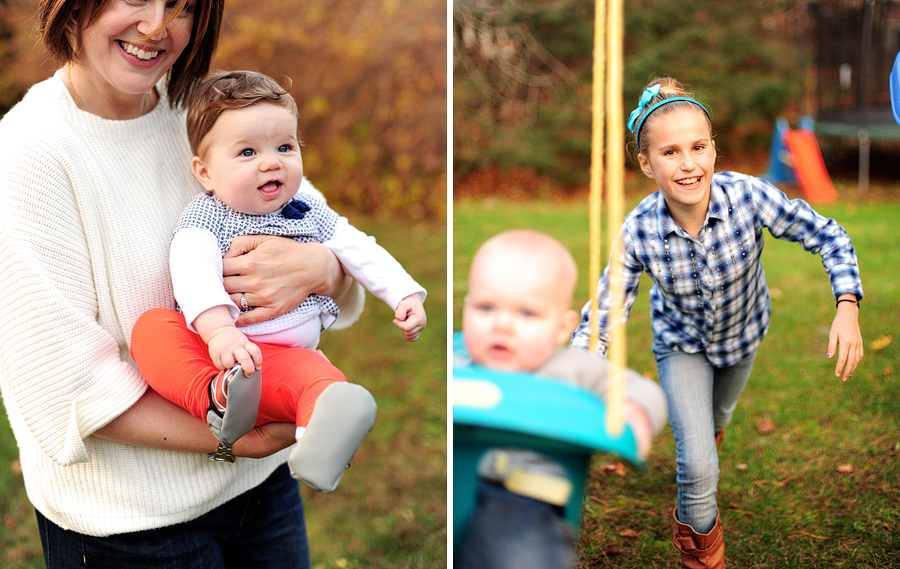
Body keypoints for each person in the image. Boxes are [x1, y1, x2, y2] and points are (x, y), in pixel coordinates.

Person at [0, 0, 368, 565]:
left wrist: (327, 272)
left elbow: (326, 237)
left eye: (183, 4)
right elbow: (65, 389)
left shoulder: (202, 112)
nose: (156, 26)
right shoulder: (30, 152)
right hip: (131, 526)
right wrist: (239, 439)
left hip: (262, 493)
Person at [570, 77, 864, 568]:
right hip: (680, 345)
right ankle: (701, 553)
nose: (688, 164)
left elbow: (828, 235)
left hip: (743, 337)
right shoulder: (639, 229)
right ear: (646, 163)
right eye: (670, 153)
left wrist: (848, 304)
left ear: (713, 150)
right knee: (699, 465)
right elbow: (604, 313)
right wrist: (575, 374)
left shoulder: (748, 197)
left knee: (717, 420)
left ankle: (708, 431)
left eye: (698, 147)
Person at [130, 70, 427, 493]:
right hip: (222, 352)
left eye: (285, 147)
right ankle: (216, 397)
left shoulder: (305, 208)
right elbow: (193, 273)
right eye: (248, 152)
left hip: (286, 357)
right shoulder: (207, 217)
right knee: (154, 330)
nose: (272, 162)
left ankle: (317, 444)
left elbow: (358, 248)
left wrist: (403, 292)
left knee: (322, 384)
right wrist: (219, 333)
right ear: (206, 172)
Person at [455, 230, 667, 569]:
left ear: (561, 328)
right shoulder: (460, 359)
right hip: (457, 487)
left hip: (525, 502)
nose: (501, 325)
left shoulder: (573, 368)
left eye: (526, 314)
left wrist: (632, 411)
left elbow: (639, 390)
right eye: (486, 307)